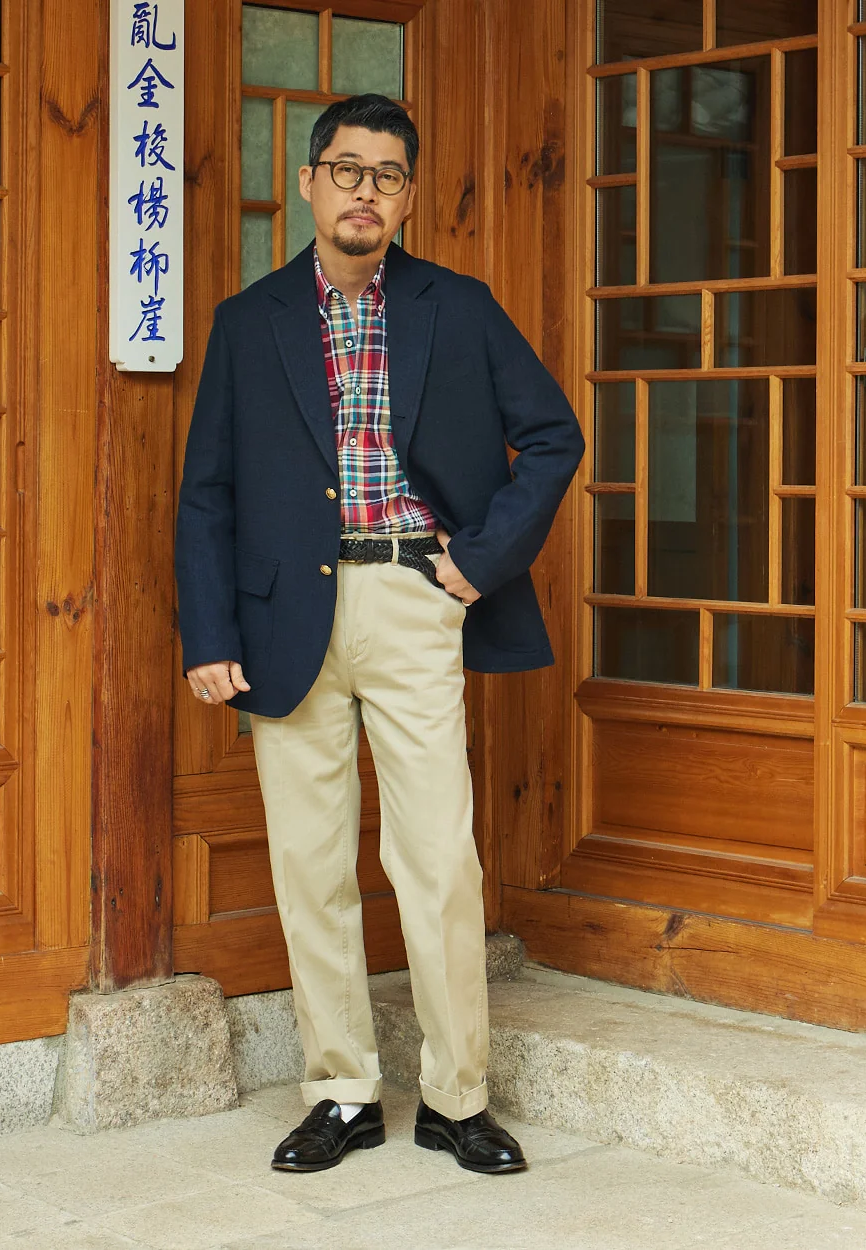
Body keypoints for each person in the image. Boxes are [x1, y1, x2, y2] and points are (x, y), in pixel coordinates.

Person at [175, 93, 583, 1175]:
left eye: (386, 174)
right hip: (281, 620)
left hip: (413, 602)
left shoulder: (460, 306)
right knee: (309, 864)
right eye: (345, 170)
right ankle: (342, 1090)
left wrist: (474, 562)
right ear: (309, 184)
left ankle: (457, 1096)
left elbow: (551, 434)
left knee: (437, 858)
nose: (364, 190)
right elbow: (207, 490)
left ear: (406, 195)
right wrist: (209, 630)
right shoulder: (248, 319)